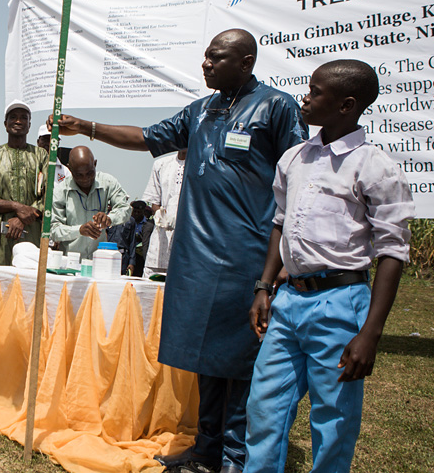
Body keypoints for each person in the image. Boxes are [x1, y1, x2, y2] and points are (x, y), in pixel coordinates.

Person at [51, 28, 307, 473]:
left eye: (216, 58)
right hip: (195, 257)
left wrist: (283, 260)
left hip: (247, 255)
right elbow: (145, 137)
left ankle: (235, 454)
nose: (206, 64)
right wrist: (86, 127)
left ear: (246, 62)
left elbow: (298, 181)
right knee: (204, 355)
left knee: (241, 357)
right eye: (205, 56)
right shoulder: (200, 111)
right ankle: (206, 450)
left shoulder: (277, 107)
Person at [244, 60, 414, 473]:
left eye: (316, 91)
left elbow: (392, 251)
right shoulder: (294, 158)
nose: (306, 98)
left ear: (346, 105)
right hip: (289, 302)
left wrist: (370, 333)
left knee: (333, 417)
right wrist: (264, 287)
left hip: (340, 303)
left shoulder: (374, 166)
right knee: (264, 408)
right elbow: (279, 224)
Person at [0, 99, 47, 288]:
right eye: (13, 117)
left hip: (30, 233)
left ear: (29, 125)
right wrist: (17, 207)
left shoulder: (41, 156)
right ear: (5, 124)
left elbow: (50, 195)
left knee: (27, 287)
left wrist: (22, 219)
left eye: (24, 118)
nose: (18, 121)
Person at [50, 145, 130, 260]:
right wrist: (79, 230)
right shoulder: (60, 191)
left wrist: (109, 218)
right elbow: (53, 229)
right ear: (69, 169)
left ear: (95, 164)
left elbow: (125, 209)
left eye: (90, 173)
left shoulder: (108, 182)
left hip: (100, 261)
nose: (85, 179)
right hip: (70, 262)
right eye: (79, 175)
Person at [142, 150, 186, 277]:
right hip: (160, 244)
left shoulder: (202, 166)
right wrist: (160, 215)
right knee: (152, 290)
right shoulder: (161, 164)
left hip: (187, 243)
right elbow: (155, 201)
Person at [120, 200, 154, 277]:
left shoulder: (148, 225)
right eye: (134, 212)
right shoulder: (127, 221)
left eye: (139, 212)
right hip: (128, 255)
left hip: (141, 257)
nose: (136, 214)